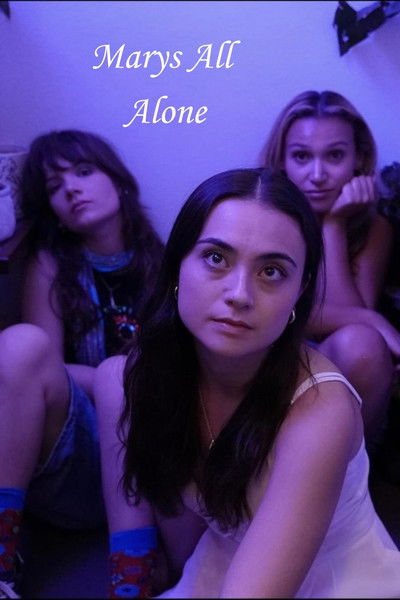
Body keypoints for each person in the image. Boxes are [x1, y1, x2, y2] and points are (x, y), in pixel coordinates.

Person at [94, 168, 400, 599]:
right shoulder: (157, 373)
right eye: (216, 258)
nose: (239, 294)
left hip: (340, 583)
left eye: (271, 271)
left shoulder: (321, 407)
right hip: (224, 562)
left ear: (299, 292)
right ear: (178, 265)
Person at [0, 129, 164, 597]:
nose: (70, 188)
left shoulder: (166, 262)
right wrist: (114, 380)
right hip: (75, 459)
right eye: (54, 186)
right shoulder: (50, 264)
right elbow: (45, 367)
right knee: (21, 344)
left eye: (84, 171)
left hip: (146, 459)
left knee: (125, 376)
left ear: (119, 180)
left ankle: (132, 579)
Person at [261, 90, 400, 446]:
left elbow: (352, 321)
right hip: (269, 360)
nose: (318, 174)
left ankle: (342, 472)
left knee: (362, 344)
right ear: (282, 161)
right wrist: (374, 320)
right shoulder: (262, 217)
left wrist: (334, 226)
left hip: (340, 374)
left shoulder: (373, 227)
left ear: (359, 159)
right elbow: (273, 314)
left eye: (335, 155)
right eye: (302, 156)